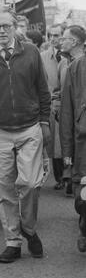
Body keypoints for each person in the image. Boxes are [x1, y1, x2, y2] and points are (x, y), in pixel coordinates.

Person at [0, 6, 51, 263]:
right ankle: (13, 241)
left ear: (15, 27)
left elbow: (43, 90)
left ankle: (29, 227)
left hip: (29, 127)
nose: (2, 31)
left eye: (7, 26)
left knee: (28, 184)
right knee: (5, 187)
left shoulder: (31, 52)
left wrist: (45, 122)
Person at [53, 25, 86, 197]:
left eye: (64, 38)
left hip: (80, 133)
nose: (60, 41)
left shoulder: (79, 64)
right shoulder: (66, 63)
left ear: (74, 42)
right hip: (73, 128)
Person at [59, 53, 86, 252]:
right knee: (83, 196)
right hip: (83, 145)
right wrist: (67, 150)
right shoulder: (76, 67)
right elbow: (67, 110)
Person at [41, 24, 66, 190]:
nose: (52, 38)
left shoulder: (70, 57)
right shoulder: (43, 56)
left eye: (56, 35)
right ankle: (61, 177)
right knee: (55, 144)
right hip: (52, 104)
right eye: (50, 35)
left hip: (70, 104)